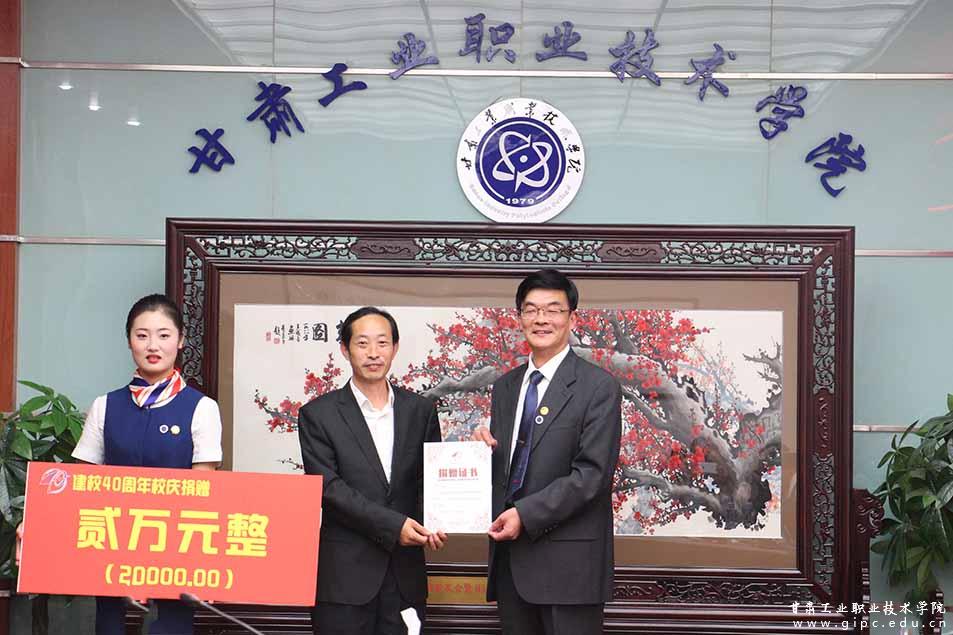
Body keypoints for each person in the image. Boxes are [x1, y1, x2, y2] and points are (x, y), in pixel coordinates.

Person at [60, 293, 222, 634]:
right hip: (112, 547)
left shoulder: (202, 408)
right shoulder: (105, 406)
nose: (153, 345)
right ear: (129, 340)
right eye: (142, 335)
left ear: (181, 340)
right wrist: (39, 523)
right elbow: (80, 483)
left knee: (171, 627)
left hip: (176, 548)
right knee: (110, 625)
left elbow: (203, 489)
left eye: (164, 335)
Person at [473, 269, 622, 635]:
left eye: (553, 309)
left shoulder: (598, 387)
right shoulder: (505, 387)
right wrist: (479, 453)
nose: (541, 319)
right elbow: (512, 470)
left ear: (572, 318)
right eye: (531, 309)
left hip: (570, 570)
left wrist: (524, 515)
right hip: (511, 566)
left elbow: (592, 476)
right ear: (519, 317)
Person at [297, 307, 444, 635]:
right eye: (362, 343)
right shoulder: (318, 415)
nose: (374, 353)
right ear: (345, 350)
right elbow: (329, 489)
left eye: (382, 342)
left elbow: (430, 480)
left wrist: (439, 518)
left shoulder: (420, 410)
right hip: (344, 580)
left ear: (395, 348)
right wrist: (394, 526)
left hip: (405, 576)